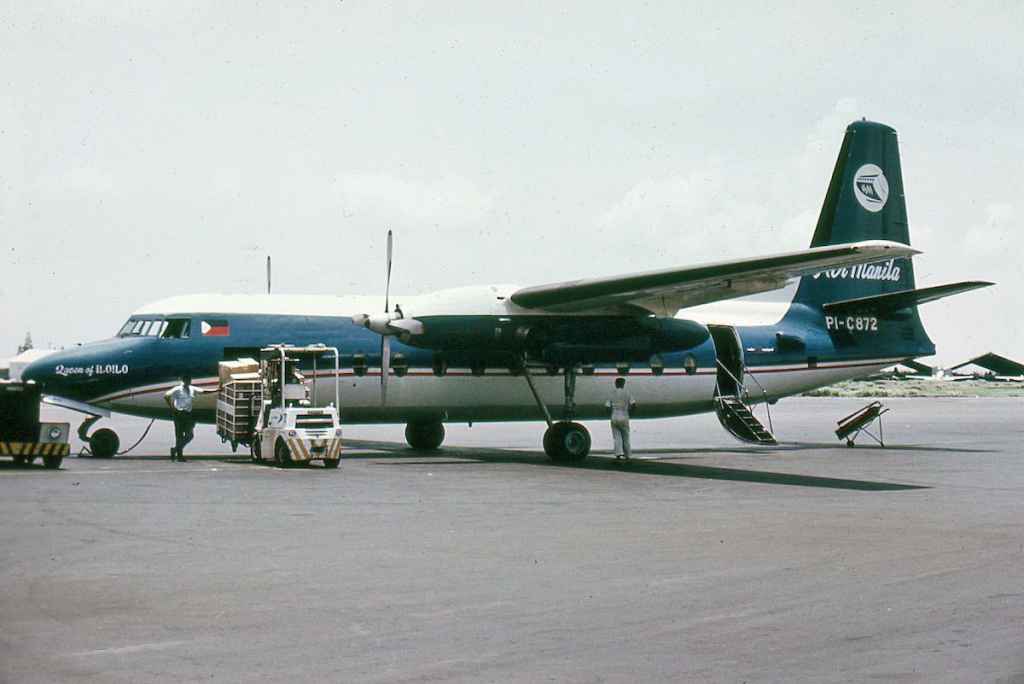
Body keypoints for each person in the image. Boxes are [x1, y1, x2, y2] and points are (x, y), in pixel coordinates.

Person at [163, 374, 212, 462]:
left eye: (189, 380)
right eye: (186, 380)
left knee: (189, 435)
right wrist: (172, 407)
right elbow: (166, 396)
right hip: (179, 414)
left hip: (188, 414)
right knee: (179, 435)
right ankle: (180, 456)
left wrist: (217, 390)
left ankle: (175, 449)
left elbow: (203, 391)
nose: (188, 382)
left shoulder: (191, 388)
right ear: (183, 380)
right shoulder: (177, 389)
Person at [606, 377, 637, 460]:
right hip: (624, 415)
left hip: (614, 416)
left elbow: (607, 406)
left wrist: (610, 413)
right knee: (626, 437)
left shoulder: (611, 394)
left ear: (615, 384)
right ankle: (628, 455)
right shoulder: (627, 393)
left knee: (617, 437)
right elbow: (634, 405)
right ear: (623, 384)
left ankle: (618, 454)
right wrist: (630, 412)